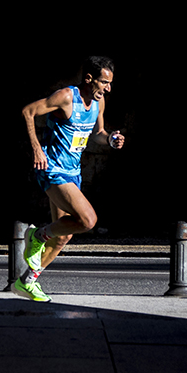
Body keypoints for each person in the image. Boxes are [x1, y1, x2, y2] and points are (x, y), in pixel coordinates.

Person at [13, 56, 125, 302]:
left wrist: (109, 139)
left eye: (109, 84)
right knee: (88, 220)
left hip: (73, 173)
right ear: (88, 79)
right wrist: (36, 148)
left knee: (63, 235)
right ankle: (36, 236)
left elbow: (97, 133)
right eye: (104, 82)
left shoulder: (98, 102)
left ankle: (27, 282)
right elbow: (28, 111)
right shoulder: (66, 97)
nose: (108, 88)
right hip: (53, 169)